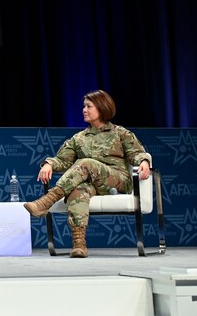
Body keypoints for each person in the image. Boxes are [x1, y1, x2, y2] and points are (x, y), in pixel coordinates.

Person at [24, 89, 151, 258]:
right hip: (91, 183)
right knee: (78, 190)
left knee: (85, 163)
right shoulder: (79, 138)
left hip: (117, 181)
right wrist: (49, 163)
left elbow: (137, 153)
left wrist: (144, 161)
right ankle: (79, 244)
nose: (84, 110)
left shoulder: (120, 133)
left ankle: (46, 201)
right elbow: (63, 160)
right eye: (84, 106)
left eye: (89, 106)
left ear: (102, 107)